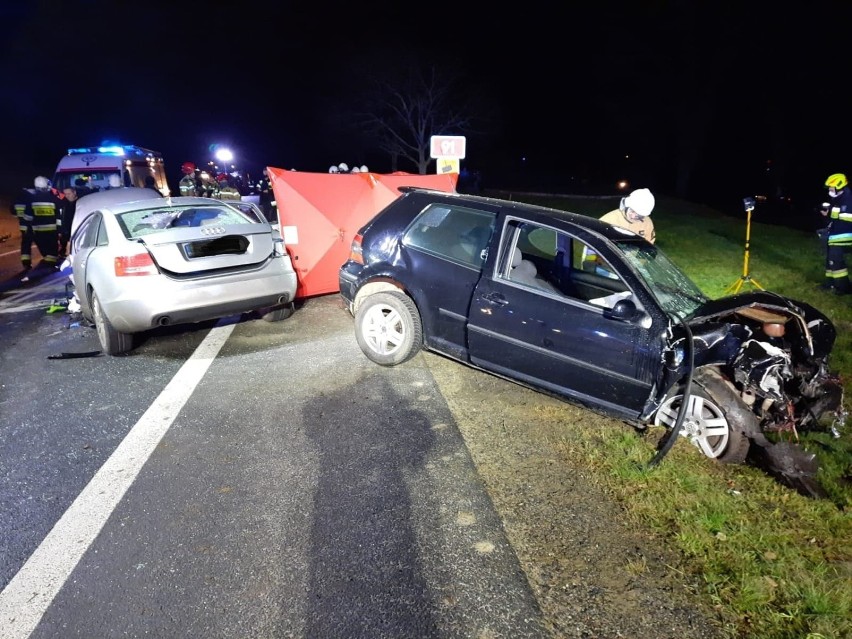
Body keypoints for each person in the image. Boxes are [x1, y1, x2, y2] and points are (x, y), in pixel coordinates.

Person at [820, 173, 852, 294]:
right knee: (830, 260)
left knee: (836, 260)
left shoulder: (848, 199)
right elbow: (834, 216)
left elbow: (847, 216)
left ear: (840, 186)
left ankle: (843, 288)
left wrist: (835, 214)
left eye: (832, 188)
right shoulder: (837, 198)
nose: (830, 190)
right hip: (835, 233)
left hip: (844, 234)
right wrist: (827, 213)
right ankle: (830, 284)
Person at [26, 176, 62, 271]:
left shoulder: (31, 199)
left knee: (44, 247)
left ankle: (48, 261)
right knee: (52, 248)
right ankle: (51, 265)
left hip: (38, 230)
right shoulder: (53, 197)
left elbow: (28, 216)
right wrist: (59, 228)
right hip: (52, 229)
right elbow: (59, 213)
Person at [12, 185, 35, 273]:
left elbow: (13, 213)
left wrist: (21, 216)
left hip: (23, 226)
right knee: (40, 242)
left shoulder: (17, 201)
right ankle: (48, 259)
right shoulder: (30, 200)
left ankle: (26, 263)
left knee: (25, 244)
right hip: (33, 226)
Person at [58, 185, 80, 257]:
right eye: (65, 194)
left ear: (74, 193)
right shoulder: (64, 204)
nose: (67, 196)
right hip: (66, 231)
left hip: (77, 230)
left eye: (69, 194)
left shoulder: (80, 203)